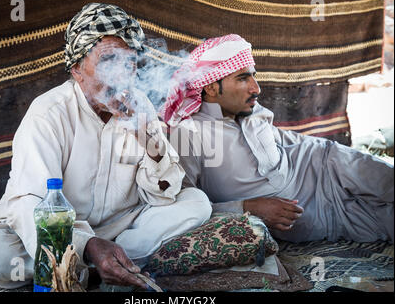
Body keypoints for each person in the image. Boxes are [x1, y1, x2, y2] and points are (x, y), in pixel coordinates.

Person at [0, 3, 211, 290]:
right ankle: (100, 263)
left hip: (120, 227)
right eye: (109, 62)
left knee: (196, 203)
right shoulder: (49, 113)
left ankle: (104, 261)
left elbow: (163, 194)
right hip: (56, 229)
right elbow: (34, 201)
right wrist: (88, 245)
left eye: (129, 63)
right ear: (77, 69)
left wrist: (148, 139)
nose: (122, 75)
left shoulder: (139, 105)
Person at [161, 34, 394, 245]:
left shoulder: (251, 109)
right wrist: (246, 209)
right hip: (317, 215)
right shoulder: (188, 135)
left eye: (254, 76)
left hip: (330, 165)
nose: (256, 88)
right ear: (211, 88)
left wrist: (331, 154)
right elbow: (184, 209)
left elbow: (284, 140)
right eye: (243, 78)